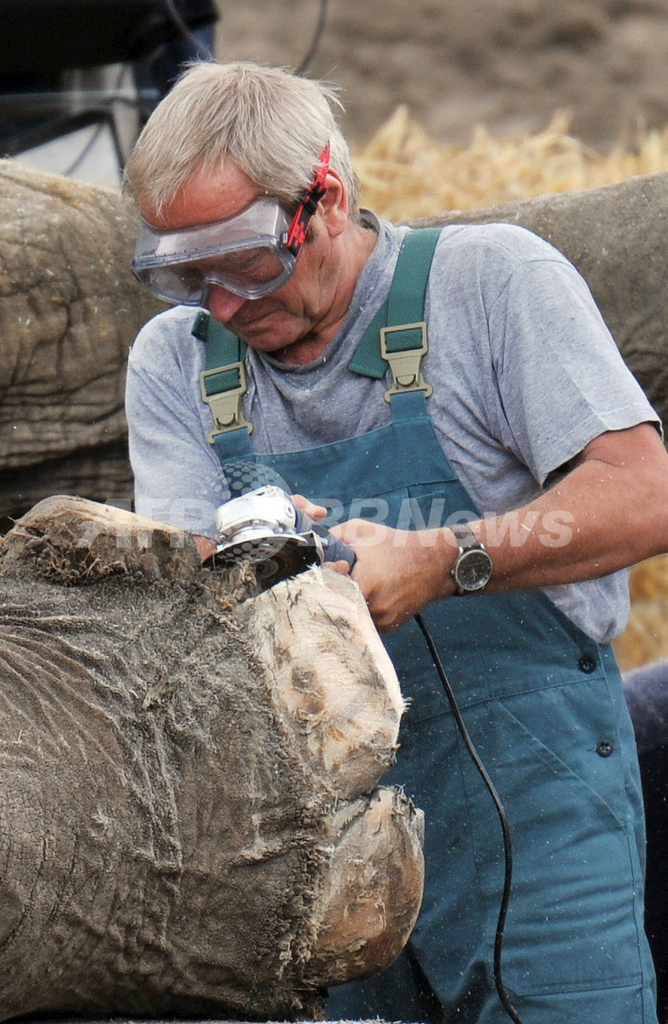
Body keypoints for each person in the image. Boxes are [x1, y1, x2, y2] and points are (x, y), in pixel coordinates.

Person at [123, 60, 668, 1024]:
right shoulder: (175, 361)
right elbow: (176, 588)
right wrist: (248, 565)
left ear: (326, 197)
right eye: (184, 274)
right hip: (317, 844)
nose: (221, 305)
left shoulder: (491, 284)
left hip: (538, 800)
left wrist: (443, 559)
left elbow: (645, 493)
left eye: (246, 262)